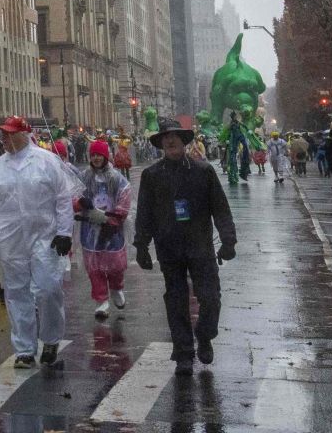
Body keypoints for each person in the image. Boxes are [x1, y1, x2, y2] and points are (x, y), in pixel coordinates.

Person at [132, 122, 237, 377]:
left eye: (174, 137)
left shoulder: (203, 171)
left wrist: (228, 240)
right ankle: (183, 353)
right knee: (176, 299)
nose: (170, 142)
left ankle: (205, 334)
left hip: (200, 245)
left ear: (184, 141)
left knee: (210, 296)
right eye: (165, 138)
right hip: (168, 246)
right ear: (161, 144)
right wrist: (141, 245)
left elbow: (220, 208)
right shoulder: (152, 175)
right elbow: (144, 212)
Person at [0, 116, 78, 369]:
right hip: (10, 241)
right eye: (3, 134)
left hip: (45, 238)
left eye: (11, 133)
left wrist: (65, 232)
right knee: (16, 293)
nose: (6, 138)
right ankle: (24, 349)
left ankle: (51, 339)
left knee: (48, 289)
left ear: (25, 134)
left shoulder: (46, 161)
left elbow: (63, 199)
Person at [74, 140, 131, 319]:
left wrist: (112, 219)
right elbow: (74, 198)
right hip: (90, 229)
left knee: (115, 265)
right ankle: (101, 301)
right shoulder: (84, 177)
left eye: (99, 155)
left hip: (111, 229)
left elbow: (125, 198)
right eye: (93, 155)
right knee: (94, 267)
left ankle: (116, 287)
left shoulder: (116, 178)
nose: (96, 158)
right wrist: (80, 203)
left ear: (106, 156)